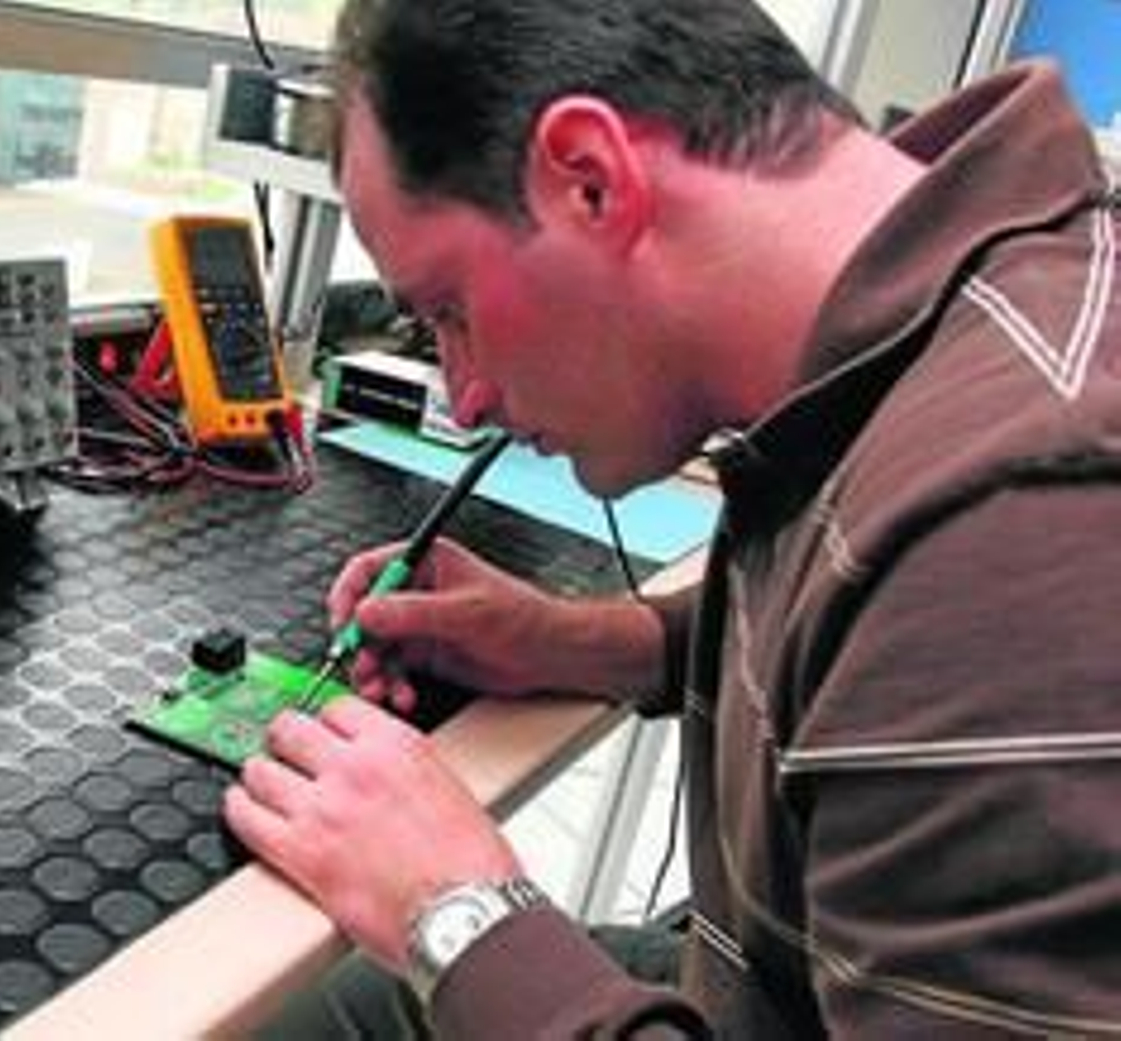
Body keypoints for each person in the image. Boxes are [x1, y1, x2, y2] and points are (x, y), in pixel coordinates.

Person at [222, 0, 1121, 1036]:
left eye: (448, 311)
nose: (461, 394)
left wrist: (457, 918)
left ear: (591, 178)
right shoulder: (931, 342)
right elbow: (873, 650)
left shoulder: (1019, 513)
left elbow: (946, 629)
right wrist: (582, 641)